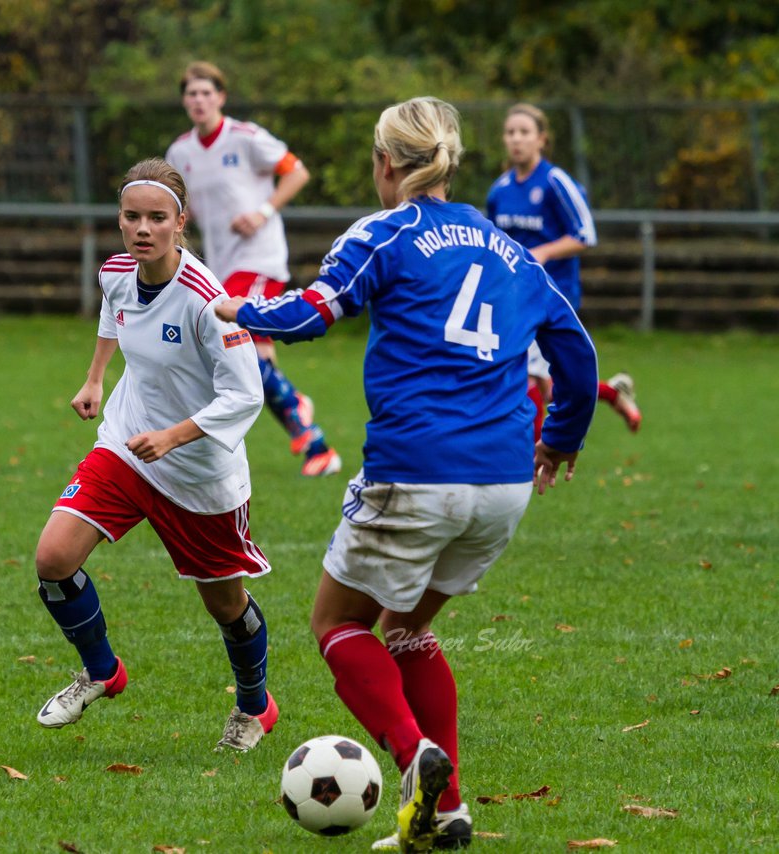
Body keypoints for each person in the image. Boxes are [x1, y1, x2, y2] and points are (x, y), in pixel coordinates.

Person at [216, 97, 598, 851]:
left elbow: (312, 314)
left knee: (336, 624)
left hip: (418, 471)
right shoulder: (508, 249)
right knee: (409, 629)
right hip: (503, 484)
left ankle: (409, 751)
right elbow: (577, 351)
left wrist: (236, 311)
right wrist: (560, 438)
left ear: (385, 164)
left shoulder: (386, 233)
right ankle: (447, 812)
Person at [34, 157, 279, 752]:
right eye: (131, 217)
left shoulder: (206, 300)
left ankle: (254, 707)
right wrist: (95, 378)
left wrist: (174, 436)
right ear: (119, 221)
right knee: (53, 558)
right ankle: (101, 672)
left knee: (225, 605)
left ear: (180, 221)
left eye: (156, 218)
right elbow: (113, 315)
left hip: (198, 473)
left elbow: (248, 392)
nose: (143, 228)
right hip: (127, 442)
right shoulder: (119, 270)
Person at [165, 60, 342, 477]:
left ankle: (302, 419)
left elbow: (297, 172)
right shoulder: (180, 152)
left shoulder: (246, 138)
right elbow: (178, 209)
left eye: (207, 93)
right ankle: (314, 442)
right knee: (252, 357)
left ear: (221, 98)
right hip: (222, 266)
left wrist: (262, 212)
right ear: (184, 102)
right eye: (191, 94)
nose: (199, 100)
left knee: (237, 341)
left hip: (259, 257)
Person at [486, 102, 641, 439]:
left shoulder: (556, 182)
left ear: (541, 139)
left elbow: (586, 234)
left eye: (524, 132)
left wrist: (543, 252)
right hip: (515, 296)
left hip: (554, 295)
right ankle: (613, 394)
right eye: (510, 133)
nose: (516, 140)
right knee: (547, 385)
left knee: (528, 377)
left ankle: (534, 459)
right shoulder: (499, 190)